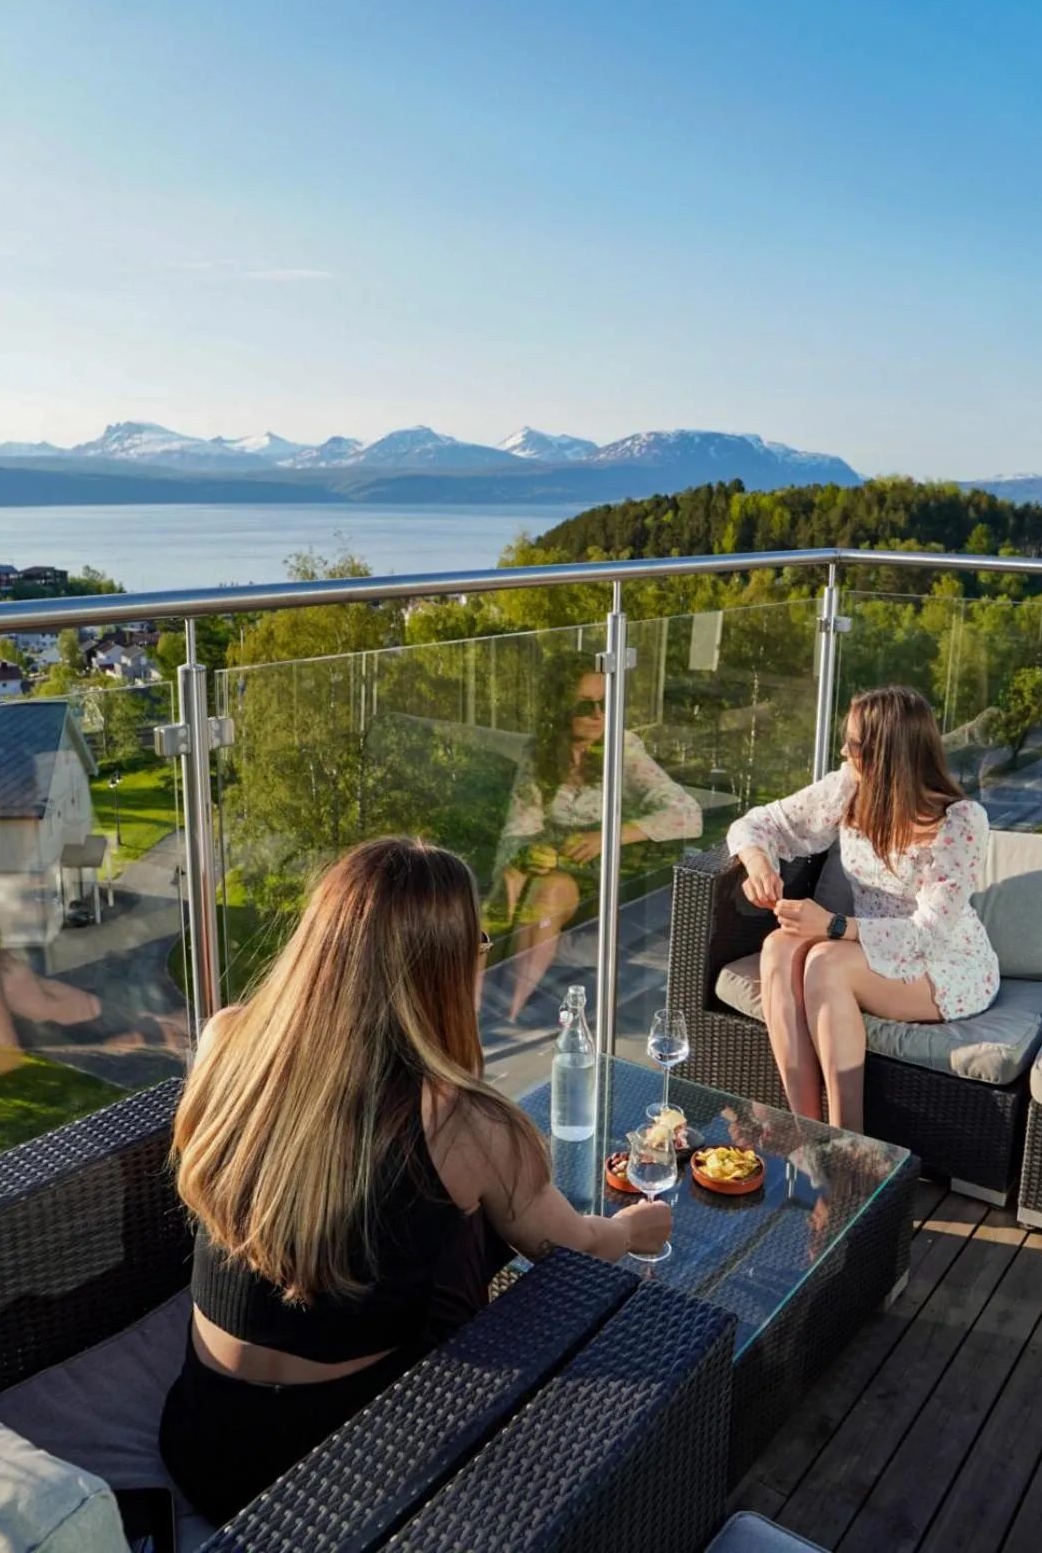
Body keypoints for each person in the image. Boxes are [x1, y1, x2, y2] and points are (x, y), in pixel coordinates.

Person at [159, 836, 670, 1526]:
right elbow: (570, 1249)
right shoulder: (462, 1120)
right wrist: (632, 1229)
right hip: (334, 1471)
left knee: (436, 1209)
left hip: (199, 1436)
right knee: (475, 1224)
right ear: (444, 970)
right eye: (480, 943)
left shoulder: (227, 1039)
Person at [726, 685, 999, 1134]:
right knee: (777, 946)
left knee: (826, 963)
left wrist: (832, 925)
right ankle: (806, 1130)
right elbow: (757, 823)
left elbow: (929, 933)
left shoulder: (961, 822)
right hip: (866, 945)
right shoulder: (848, 788)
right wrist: (758, 866)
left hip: (945, 964)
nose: (842, 751)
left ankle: (847, 1142)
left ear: (887, 753)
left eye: (852, 743)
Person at [492, 650, 702, 1023]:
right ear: (558, 707)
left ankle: (504, 1014)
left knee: (548, 891)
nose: (597, 715)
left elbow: (687, 814)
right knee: (503, 889)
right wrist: (526, 854)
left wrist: (610, 835)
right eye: (584, 705)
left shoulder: (622, 749)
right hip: (555, 863)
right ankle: (471, 1013)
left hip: (610, 877)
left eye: (605, 703)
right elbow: (518, 828)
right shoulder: (539, 752)